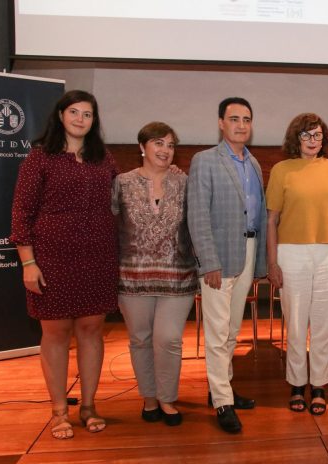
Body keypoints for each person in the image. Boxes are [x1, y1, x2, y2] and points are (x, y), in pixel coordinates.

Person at [10, 90, 118, 439]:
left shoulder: (104, 158)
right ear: (60, 115)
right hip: (52, 258)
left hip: (98, 256)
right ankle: (59, 410)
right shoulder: (40, 158)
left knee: (91, 330)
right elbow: (21, 213)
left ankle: (88, 406)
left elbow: (123, 197)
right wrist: (28, 263)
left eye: (87, 114)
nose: (80, 119)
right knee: (55, 334)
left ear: (94, 120)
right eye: (74, 112)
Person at [187, 97, 266, 433]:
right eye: (234, 119)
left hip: (247, 250)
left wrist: (259, 259)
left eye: (246, 119)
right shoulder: (204, 160)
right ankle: (223, 402)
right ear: (221, 123)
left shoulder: (254, 163)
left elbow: (258, 215)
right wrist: (208, 261)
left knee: (232, 329)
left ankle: (221, 388)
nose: (241, 125)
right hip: (218, 257)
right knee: (217, 332)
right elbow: (197, 215)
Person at [112, 122, 197, 426]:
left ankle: (167, 398)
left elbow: (198, 224)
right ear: (142, 146)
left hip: (178, 276)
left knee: (169, 339)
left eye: (171, 145)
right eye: (158, 143)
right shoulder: (122, 183)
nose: (165, 150)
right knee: (140, 339)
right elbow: (109, 226)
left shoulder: (186, 183)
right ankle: (149, 397)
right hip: (132, 277)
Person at [266, 113, 328, 416]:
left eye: (317, 135)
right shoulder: (282, 170)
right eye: (306, 135)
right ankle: (296, 384)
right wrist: (272, 261)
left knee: (323, 324)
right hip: (291, 254)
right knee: (296, 323)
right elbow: (271, 220)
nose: (312, 141)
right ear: (296, 139)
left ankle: (318, 385)